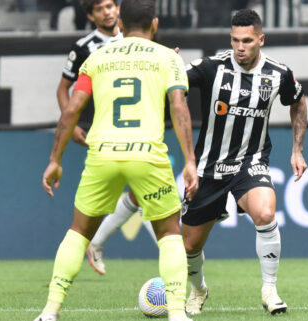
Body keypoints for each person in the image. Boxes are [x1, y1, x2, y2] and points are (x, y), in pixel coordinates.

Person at [33, 0, 199, 319]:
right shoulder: (168, 58)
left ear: (120, 24)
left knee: (79, 232)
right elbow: (180, 108)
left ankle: (50, 311)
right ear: (155, 25)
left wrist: (55, 159)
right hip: (147, 154)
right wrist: (190, 161)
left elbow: (71, 109)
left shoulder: (97, 57)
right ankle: (177, 313)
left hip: (103, 153)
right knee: (169, 234)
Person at [181, 8, 307, 316]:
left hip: (250, 163)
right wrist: (167, 65)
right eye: (236, 40)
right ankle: (198, 290)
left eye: (248, 41)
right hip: (208, 167)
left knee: (265, 213)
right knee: (189, 247)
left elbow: (298, 101)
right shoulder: (212, 67)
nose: (240, 47)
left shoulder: (278, 73)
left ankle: (270, 290)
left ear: (261, 39)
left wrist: (297, 150)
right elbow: (174, 83)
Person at [56, 0, 156, 276]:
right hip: (101, 132)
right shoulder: (84, 48)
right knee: (138, 194)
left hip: (138, 126)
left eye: (111, 6)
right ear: (90, 15)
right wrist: (70, 121)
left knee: (140, 194)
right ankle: (175, 253)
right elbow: (63, 89)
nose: (108, 12)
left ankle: (96, 241)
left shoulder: (137, 37)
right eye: (99, 9)